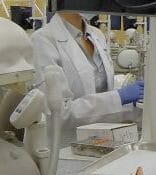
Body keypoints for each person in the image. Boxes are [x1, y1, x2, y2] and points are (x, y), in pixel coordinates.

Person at [31, 11, 144, 144]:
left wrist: (132, 104)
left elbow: (103, 95)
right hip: (65, 145)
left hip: (103, 139)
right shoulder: (42, 40)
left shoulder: (96, 35)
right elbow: (58, 114)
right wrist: (118, 97)